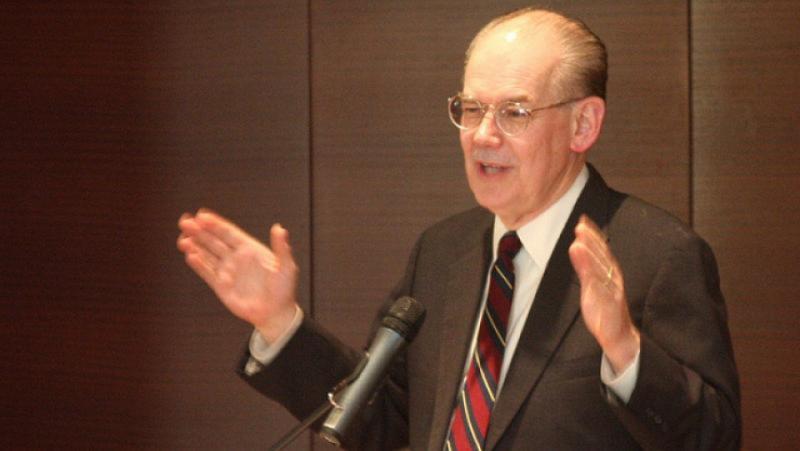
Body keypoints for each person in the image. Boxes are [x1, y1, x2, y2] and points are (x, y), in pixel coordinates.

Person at [177, 7, 740, 450]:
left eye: (514, 112)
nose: (483, 135)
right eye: (471, 109)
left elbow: (714, 437)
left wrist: (626, 351)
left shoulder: (657, 256)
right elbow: (384, 418)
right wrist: (279, 322)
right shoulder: (442, 251)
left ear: (583, 124)